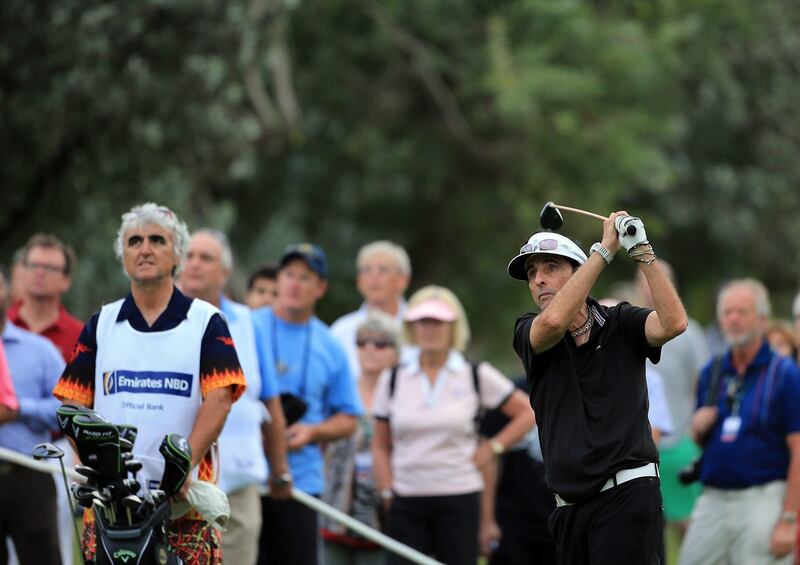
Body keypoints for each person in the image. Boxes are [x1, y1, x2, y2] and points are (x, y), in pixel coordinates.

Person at [53, 203, 247, 564]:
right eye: (134, 241)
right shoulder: (103, 323)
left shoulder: (207, 321)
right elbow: (73, 405)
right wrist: (95, 466)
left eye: (157, 240)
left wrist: (184, 467)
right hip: (113, 507)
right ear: (123, 256)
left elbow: (220, 399)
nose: (145, 249)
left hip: (182, 505)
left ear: (178, 256)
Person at [508, 211, 688, 565]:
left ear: (579, 273)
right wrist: (605, 250)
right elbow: (556, 321)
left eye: (551, 268)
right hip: (569, 510)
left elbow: (674, 322)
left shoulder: (621, 322)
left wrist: (642, 252)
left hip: (628, 495)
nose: (539, 280)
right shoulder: (529, 331)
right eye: (532, 274)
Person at [372, 285, 535, 565]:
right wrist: (386, 491)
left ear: (453, 327)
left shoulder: (473, 373)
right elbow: (380, 445)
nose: (431, 329)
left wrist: (492, 448)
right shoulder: (393, 378)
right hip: (406, 500)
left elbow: (528, 412)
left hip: (460, 498)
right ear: (412, 327)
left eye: (439, 322)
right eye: (424, 321)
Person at [178, 229, 291, 565]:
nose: (195, 264)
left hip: (237, 482)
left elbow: (269, 401)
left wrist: (280, 468)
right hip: (176, 481)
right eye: (189, 256)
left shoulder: (248, 323)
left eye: (206, 257)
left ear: (225, 272)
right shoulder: (159, 319)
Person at [252, 243, 362, 565]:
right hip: (247, 478)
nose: (295, 283)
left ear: (321, 288)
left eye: (305, 277)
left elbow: (349, 418)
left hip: (301, 484)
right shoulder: (246, 326)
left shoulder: (331, 345)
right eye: (288, 275)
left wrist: (312, 432)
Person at [679, 279, 800, 565]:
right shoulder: (713, 371)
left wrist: (789, 518)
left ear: (761, 319)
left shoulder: (785, 374)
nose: (733, 319)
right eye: (727, 312)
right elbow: (703, 440)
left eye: (741, 312)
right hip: (713, 498)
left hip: (763, 498)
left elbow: (798, 450)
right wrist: (697, 428)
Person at [321, 311, 400, 565]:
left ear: (397, 351)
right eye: (362, 342)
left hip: (383, 514)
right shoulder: (339, 393)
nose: (369, 349)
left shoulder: (405, 397)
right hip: (335, 508)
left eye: (380, 343)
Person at [0, 268, 66, 564]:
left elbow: (66, 411)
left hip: (29, 475)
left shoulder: (40, 350)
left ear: (10, 293)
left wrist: (18, 409)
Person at [478, 376, 557, 565]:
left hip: (563, 517)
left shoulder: (582, 388)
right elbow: (487, 456)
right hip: (512, 518)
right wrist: (487, 520)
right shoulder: (512, 393)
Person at [331, 240, 413, 378]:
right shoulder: (341, 330)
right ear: (359, 281)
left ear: (403, 280)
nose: (373, 277)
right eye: (367, 270)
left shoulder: (418, 328)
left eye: (383, 270)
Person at [8, 233, 83, 361]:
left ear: (66, 280)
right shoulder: (4, 323)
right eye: (34, 265)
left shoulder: (80, 337)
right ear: (22, 272)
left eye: (50, 268)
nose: (40, 272)